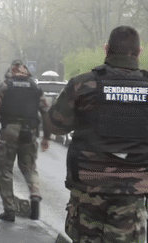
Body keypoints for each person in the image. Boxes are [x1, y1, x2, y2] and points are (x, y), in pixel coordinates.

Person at [45, 26, 148, 242]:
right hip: (133, 191)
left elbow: (55, 126)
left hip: (88, 188)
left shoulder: (83, 84)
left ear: (106, 49)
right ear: (139, 52)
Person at [0, 59, 51, 222]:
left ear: (11, 71)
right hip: (30, 131)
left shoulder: (5, 86)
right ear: (25, 71)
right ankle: (35, 194)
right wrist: (47, 136)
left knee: (5, 170)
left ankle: (9, 210)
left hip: (9, 131)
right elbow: (46, 112)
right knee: (29, 168)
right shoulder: (35, 87)